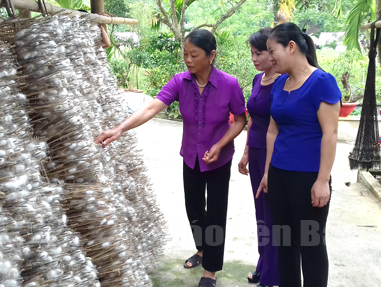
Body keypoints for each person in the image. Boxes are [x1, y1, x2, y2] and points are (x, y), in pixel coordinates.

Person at [94, 29, 246, 287]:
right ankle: (202, 249)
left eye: (193, 55)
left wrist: (220, 145)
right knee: (194, 208)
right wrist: (119, 128)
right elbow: (152, 107)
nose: (187, 59)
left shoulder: (229, 84)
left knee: (216, 212)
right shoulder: (180, 82)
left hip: (218, 159)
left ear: (211, 56)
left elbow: (241, 120)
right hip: (191, 156)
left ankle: (210, 270)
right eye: (185, 53)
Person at [256, 22, 341, 287]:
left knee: (311, 245)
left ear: (291, 47)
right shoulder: (280, 83)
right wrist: (268, 172)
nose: (269, 58)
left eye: (272, 51)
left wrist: (322, 180)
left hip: (308, 179)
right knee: (285, 244)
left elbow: (331, 134)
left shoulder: (321, 82)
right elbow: (272, 131)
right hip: (280, 176)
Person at [238, 28, 279, 287]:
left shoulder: (283, 82)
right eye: (252, 53)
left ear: (272, 53)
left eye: (259, 53)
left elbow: (278, 125)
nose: (254, 58)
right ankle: (263, 265)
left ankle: (273, 275)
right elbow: (252, 119)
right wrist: (244, 153)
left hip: (272, 154)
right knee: (260, 214)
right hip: (255, 151)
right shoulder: (257, 79)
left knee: (273, 215)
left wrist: (266, 168)